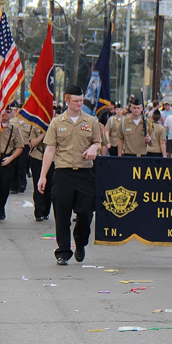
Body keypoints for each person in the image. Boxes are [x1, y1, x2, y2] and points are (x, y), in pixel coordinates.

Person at [38, 85, 102, 265]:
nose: (80, 104)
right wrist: (43, 176)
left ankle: (80, 243)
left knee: (86, 213)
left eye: (81, 101)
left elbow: (98, 143)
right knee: (62, 215)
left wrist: (93, 147)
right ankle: (63, 251)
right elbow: (50, 150)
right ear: (67, 101)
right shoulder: (57, 123)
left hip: (84, 173)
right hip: (63, 173)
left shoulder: (91, 121)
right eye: (76, 101)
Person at [25, 122, 53, 221]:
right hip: (37, 158)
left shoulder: (56, 126)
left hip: (52, 159)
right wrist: (44, 134)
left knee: (49, 186)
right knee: (39, 185)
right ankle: (38, 212)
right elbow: (32, 143)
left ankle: (46, 211)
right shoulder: (36, 127)